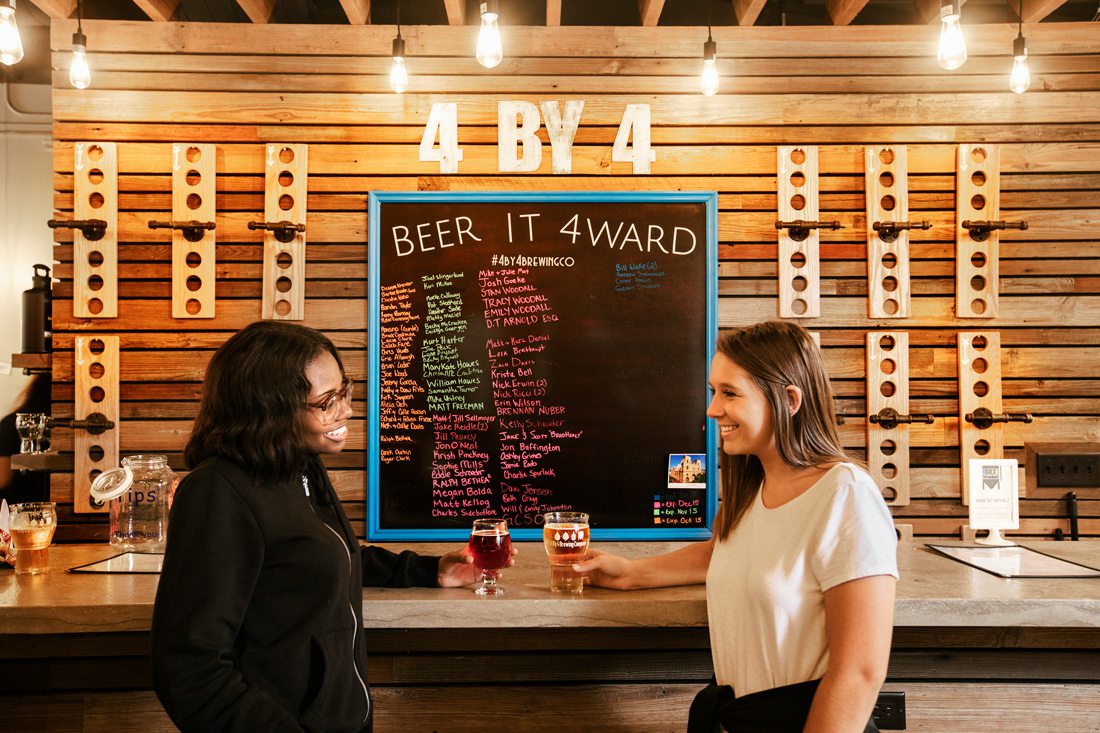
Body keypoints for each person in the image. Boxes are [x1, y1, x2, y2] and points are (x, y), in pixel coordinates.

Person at [152, 321, 501, 732]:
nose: (347, 409)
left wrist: (429, 571)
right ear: (269, 407)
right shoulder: (218, 492)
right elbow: (189, 668)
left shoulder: (298, 466)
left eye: (344, 390)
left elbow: (319, 556)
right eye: (327, 401)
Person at [575, 321, 898, 733]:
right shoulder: (752, 487)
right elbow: (723, 553)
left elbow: (860, 672)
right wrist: (630, 573)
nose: (712, 409)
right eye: (714, 391)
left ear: (789, 399)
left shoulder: (845, 494)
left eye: (729, 393)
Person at [0, 374, 52, 506]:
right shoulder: (66, 427)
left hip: (20, 512)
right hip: (63, 510)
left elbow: (2, 479)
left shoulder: (11, 423)